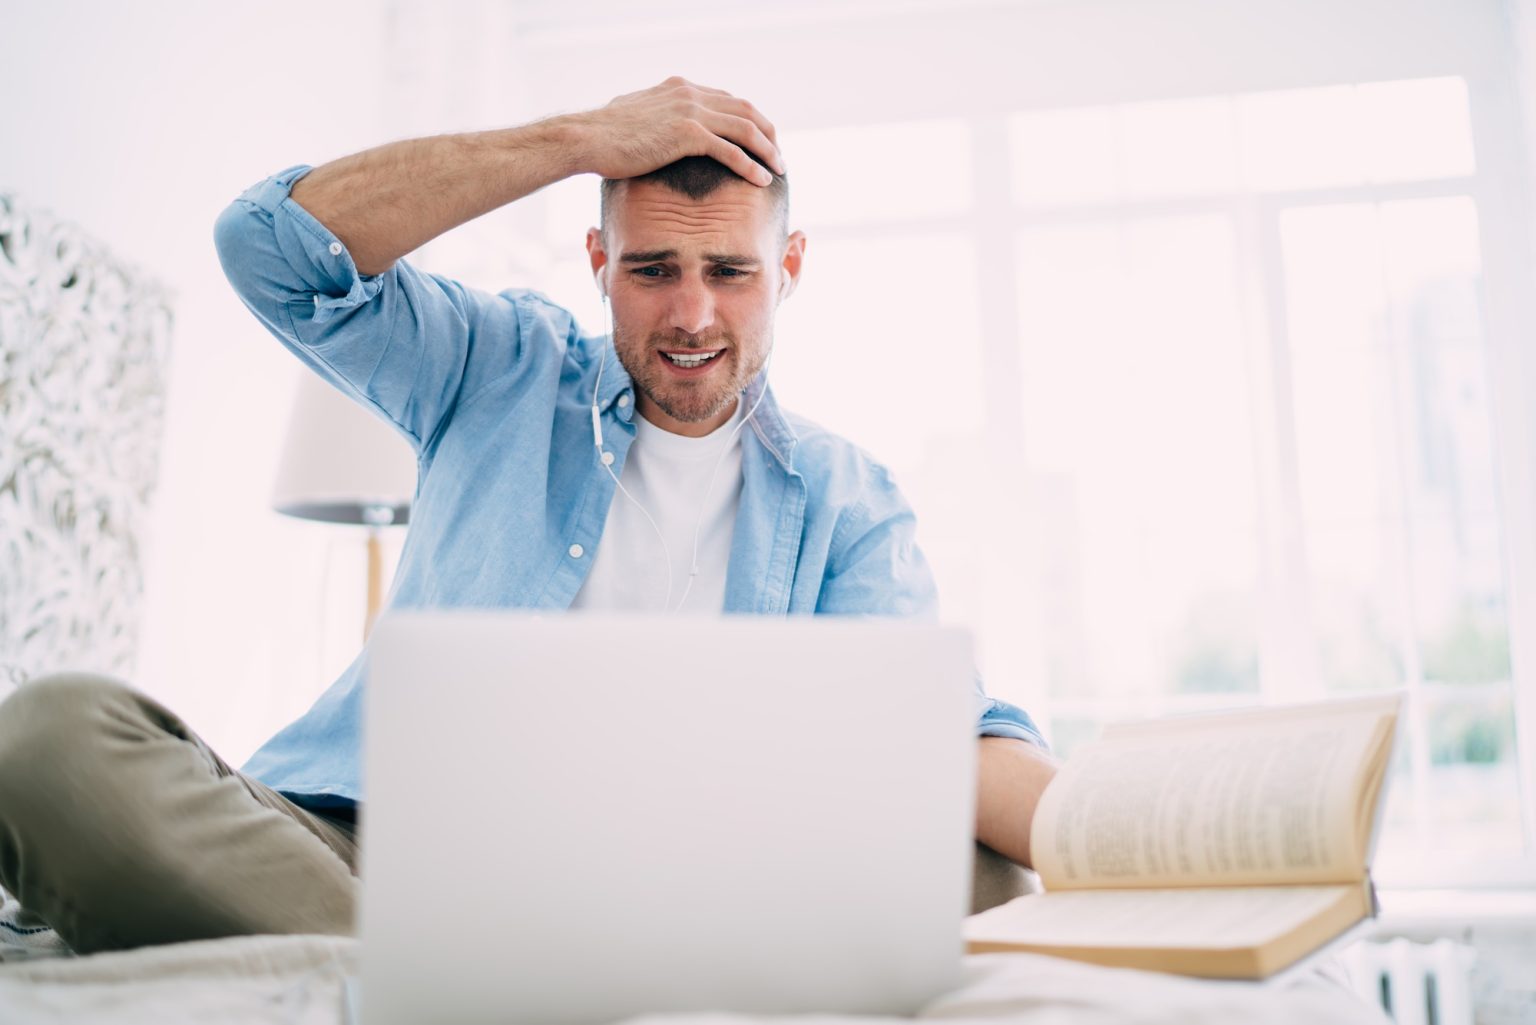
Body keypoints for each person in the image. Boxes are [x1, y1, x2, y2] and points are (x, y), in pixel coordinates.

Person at [0, 77, 1057, 955]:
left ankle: (420, 977)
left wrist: (1114, 830)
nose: (692, 314)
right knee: (52, 740)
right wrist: (578, 140)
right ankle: (459, 976)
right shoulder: (497, 364)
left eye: (730, 272)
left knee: (978, 867)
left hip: (660, 898)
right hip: (361, 849)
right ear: (599, 264)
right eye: (652, 269)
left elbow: (934, 734)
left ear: (788, 270)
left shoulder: (847, 500)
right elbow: (269, 248)